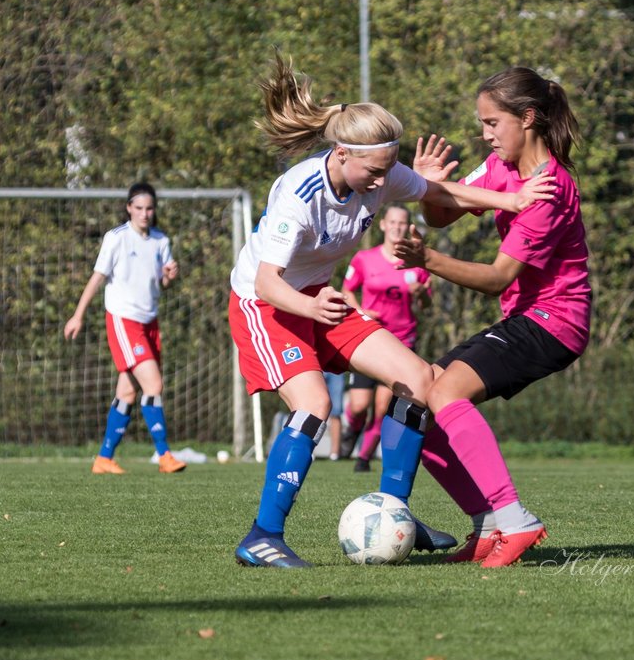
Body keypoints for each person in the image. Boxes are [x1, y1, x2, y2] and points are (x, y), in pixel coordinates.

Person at [228, 53, 550, 568]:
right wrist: (310, 306)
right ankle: (263, 535)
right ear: (340, 153)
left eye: (388, 170)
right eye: (374, 172)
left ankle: (392, 509)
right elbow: (267, 284)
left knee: (420, 380)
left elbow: (439, 191)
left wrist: (512, 202)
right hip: (267, 306)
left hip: (318, 301)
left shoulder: (380, 171)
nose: (383, 184)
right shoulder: (299, 194)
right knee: (315, 405)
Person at [395, 66, 590, 568]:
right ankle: (487, 523)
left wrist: (428, 260)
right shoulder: (500, 168)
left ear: (527, 119)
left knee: (445, 392)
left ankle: (515, 519)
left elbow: (499, 277)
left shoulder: (549, 189)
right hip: (527, 318)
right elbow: (443, 213)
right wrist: (430, 187)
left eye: (491, 123)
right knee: (418, 394)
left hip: (554, 322)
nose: (484, 134)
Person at [63, 182, 187, 475]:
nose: (145, 214)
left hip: (149, 321)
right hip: (124, 320)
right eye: (139, 208)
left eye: (150, 209)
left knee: (128, 393)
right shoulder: (116, 238)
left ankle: (104, 458)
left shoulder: (160, 240)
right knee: (154, 385)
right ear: (129, 208)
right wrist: (77, 315)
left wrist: (169, 276)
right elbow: (97, 278)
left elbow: (161, 283)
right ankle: (164, 455)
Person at [338, 205, 432, 473]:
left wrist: (421, 293)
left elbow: (426, 303)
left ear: (407, 226)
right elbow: (347, 291)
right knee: (359, 406)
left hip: (402, 341)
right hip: (369, 339)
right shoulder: (364, 259)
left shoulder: (416, 262)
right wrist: (360, 312)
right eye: (392, 222)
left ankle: (363, 458)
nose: (397, 227)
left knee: (382, 407)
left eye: (402, 223)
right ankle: (352, 429)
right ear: (383, 225)